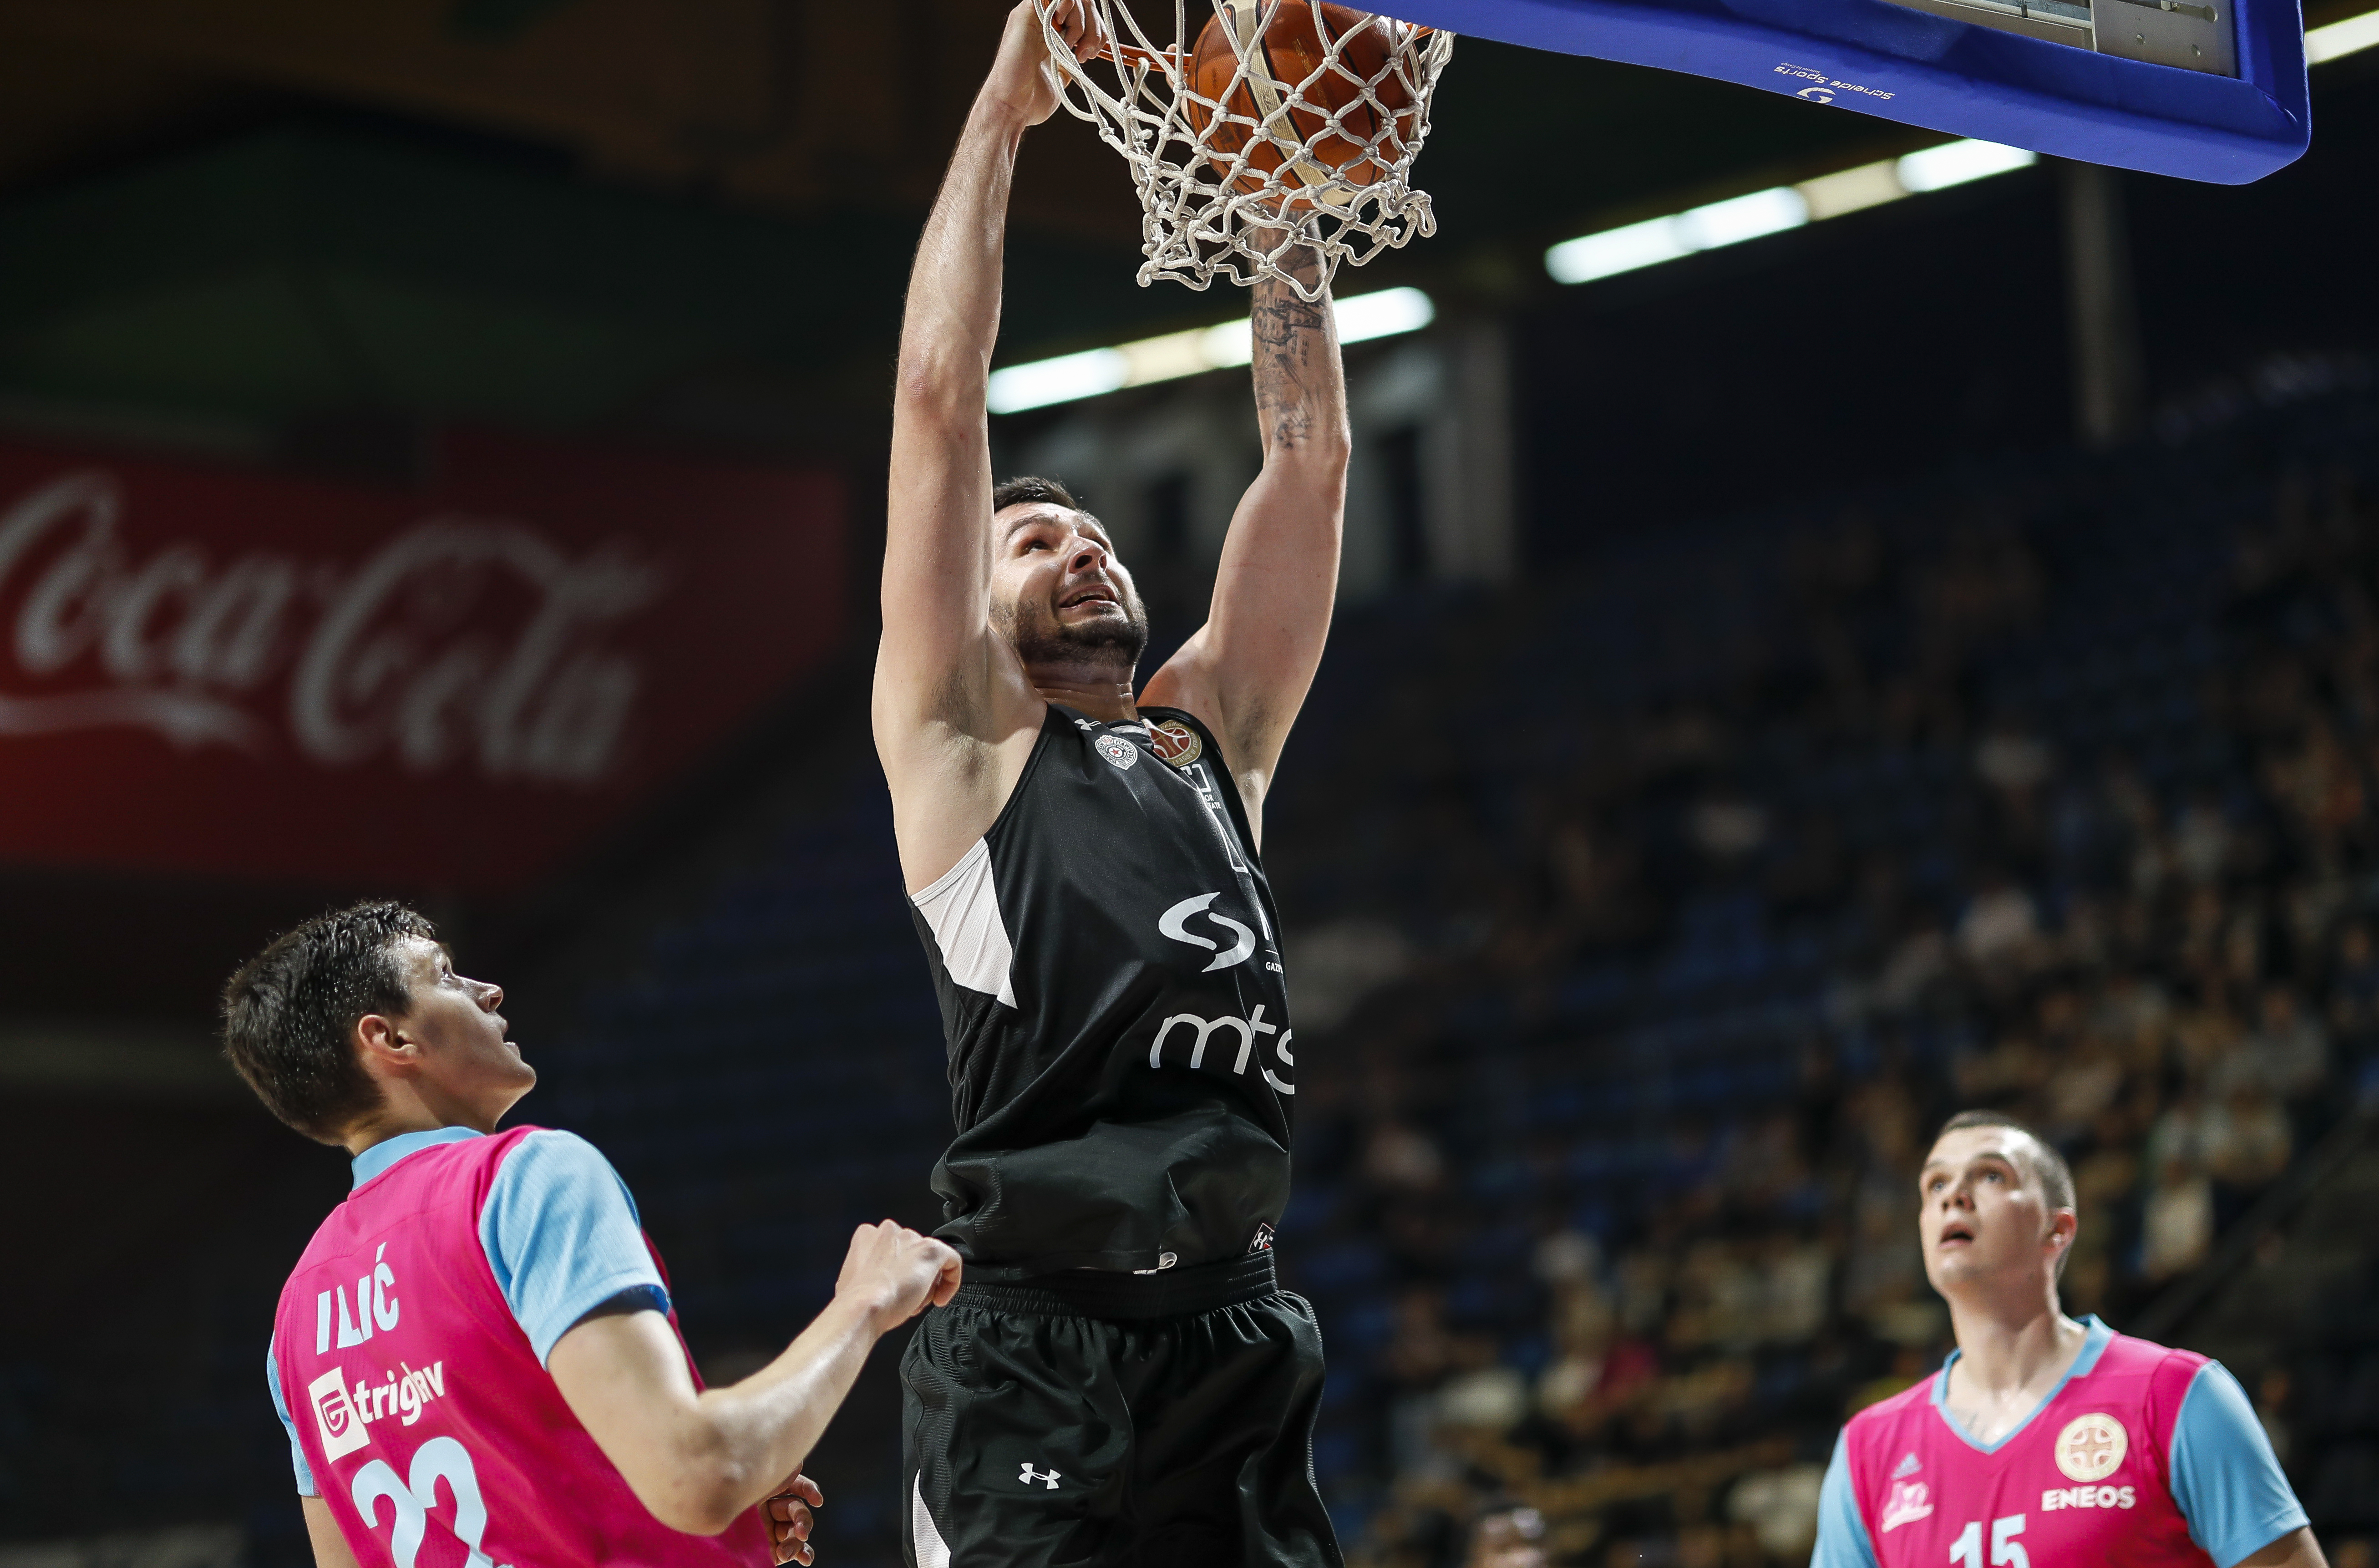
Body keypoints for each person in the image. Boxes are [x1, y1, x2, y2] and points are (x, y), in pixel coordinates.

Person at [871, 0, 1351, 1562]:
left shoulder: (1206, 736)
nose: (1079, 545)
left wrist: (1281, 172)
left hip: (1232, 1330)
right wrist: (1003, 116)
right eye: (1033, 540)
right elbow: (942, 397)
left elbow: (1305, 460)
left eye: (1093, 532)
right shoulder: (960, 744)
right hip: (1030, 1349)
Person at [224, 902, 961, 1568]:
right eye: (446, 976)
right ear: (389, 1040)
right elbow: (701, 1476)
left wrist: (680, 1537)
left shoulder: (297, 1315)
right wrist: (865, 1302)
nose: (490, 991)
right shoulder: (523, 1178)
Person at [1813, 1110, 2325, 1568]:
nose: (1954, 1195)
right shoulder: (1867, 1450)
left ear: (2057, 1231)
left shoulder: (2176, 1395)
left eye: (1991, 1175)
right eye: (1935, 1185)